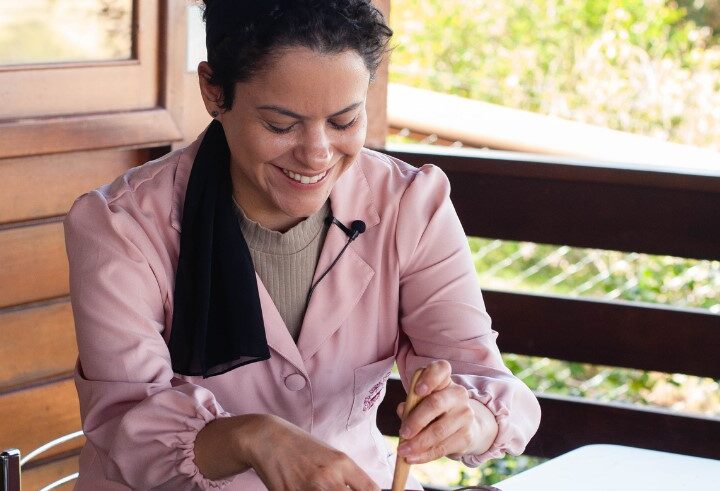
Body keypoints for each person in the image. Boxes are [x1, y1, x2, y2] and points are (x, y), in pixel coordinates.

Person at [64, 0, 541, 489]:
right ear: (213, 91)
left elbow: (486, 380)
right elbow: (127, 432)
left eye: (344, 122)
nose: (316, 155)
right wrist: (251, 437)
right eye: (280, 125)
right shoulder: (119, 226)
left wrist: (471, 419)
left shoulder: (409, 206)